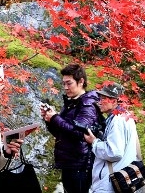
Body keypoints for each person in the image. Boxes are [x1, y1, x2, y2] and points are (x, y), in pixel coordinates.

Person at [41, 63, 101, 193]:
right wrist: (49, 120)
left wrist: (56, 118)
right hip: (69, 162)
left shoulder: (87, 104)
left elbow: (80, 133)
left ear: (81, 82)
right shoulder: (71, 102)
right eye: (64, 84)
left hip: (80, 164)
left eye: (69, 83)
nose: (65, 87)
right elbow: (60, 134)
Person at [84, 83, 139, 193]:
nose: (99, 101)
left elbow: (114, 152)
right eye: (100, 98)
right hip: (120, 180)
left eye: (104, 98)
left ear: (114, 101)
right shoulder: (125, 116)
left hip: (110, 183)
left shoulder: (117, 120)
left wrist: (94, 142)